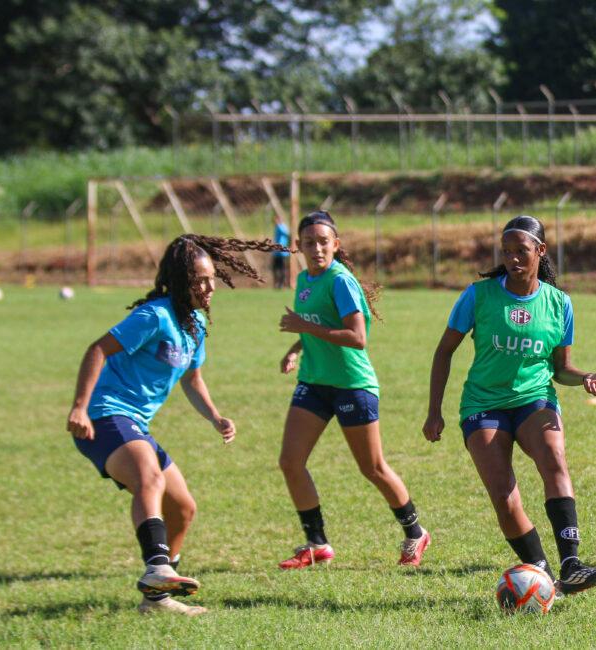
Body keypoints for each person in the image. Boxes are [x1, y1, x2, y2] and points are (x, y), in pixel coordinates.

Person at [67, 234, 281, 615]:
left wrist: (215, 417)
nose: (209, 286)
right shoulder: (155, 316)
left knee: (182, 508)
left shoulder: (195, 323)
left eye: (212, 278)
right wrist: (80, 408)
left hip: (135, 423)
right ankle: (156, 568)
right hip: (104, 415)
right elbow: (97, 349)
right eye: (199, 279)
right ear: (180, 281)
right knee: (150, 476)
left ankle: (157, 600)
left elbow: (192, 378)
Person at [422, 215, 596, 594]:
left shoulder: (559, 303)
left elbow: (561, 368)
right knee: (504, 495)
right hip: (483, 404)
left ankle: (572, 563)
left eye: (521, 251)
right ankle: (540, 571)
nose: (512, 258)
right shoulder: (479, 296)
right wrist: (434, 411)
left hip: (534, 398)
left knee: (554, 458)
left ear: (540, 252)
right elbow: (444, 352)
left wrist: (585, 377)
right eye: (506, 251)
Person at [276, 210, 430, 569]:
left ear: (336, 245)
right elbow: (316, 325)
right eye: (309, 242)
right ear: (298, 246)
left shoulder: (340, 281)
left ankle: (415, 532)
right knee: (290, 461)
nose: (316, 248)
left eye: (323, 242)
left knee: (373, 468)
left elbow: (357, 338)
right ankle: (316, 543)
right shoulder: (303, 280)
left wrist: (303, 327)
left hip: (351, 385)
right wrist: (295, 349)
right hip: (314, 383)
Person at [271, 212, 292, 290]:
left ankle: (281, 284)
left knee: (282, 269)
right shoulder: (277, 227)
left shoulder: (281, 227)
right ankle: (277, 284)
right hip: (276, 252)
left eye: (276, 219)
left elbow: (288, 235)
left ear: (279, 219)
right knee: (275, 269)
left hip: (282, 253)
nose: (274, 220)